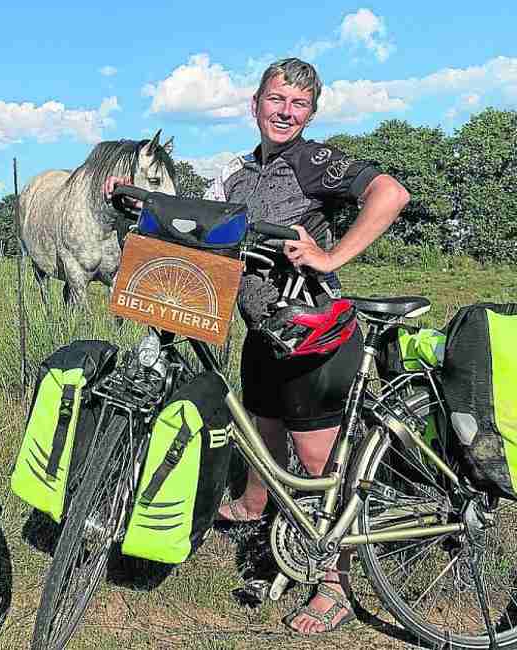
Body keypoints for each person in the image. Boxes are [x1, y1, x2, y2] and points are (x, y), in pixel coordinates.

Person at [105, 58, 410, 634]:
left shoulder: (314, 163)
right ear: (255, 103)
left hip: (311, 336)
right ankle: (252, 508)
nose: (285, 112)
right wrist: (138, 197)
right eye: (276, 100)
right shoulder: (238, 173)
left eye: (298, 104)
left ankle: (334, 584)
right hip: (260, 332)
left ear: (311, 112)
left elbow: (390, 194)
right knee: (262, 434)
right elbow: (198, 218)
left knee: (319, 466)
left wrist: (331, 255)